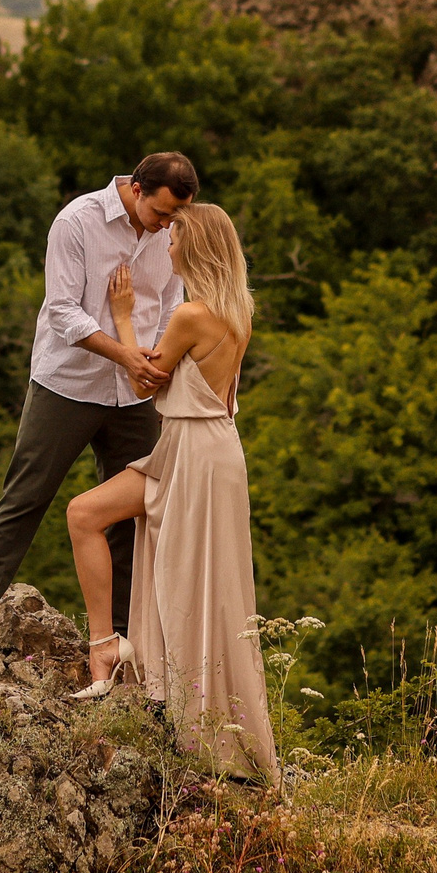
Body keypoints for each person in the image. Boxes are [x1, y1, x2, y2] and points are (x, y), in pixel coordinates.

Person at [0, 152, 199, 677]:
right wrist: (125, 354)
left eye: (175, 216)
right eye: (161, 213)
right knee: (26, 498)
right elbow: (63, 311)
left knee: (134, 514)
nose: (167, 225)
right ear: (136, 189)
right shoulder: (77, 221)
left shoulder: (170, 233)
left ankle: (123, 647)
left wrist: (155, 366)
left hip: (135, 395)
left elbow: (169, 308)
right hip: (67, 385)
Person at [62, 202, 280, 788]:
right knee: (86, 514)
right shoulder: (237, 310)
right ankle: (109, 648)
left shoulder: (191, 314)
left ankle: (199, 722)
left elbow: (144, 378)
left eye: (176, 236)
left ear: (197, 246)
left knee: (192, 579)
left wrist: (123, 315)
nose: (169, 244)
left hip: (197, 453)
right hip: (197, 447)